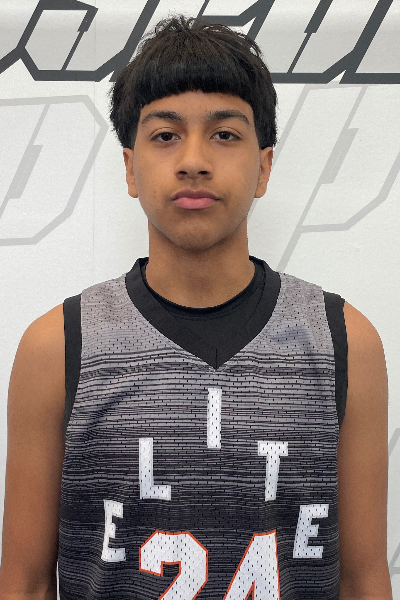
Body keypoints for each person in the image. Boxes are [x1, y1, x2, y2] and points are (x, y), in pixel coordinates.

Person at [0, 13, 392, 600]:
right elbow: (26, 582)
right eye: (165, 135)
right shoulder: (57, 346)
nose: (193, 160)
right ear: (130, 167)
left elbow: (363, 579)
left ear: (264, 166)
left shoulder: (344, 342)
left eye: (224, 134)